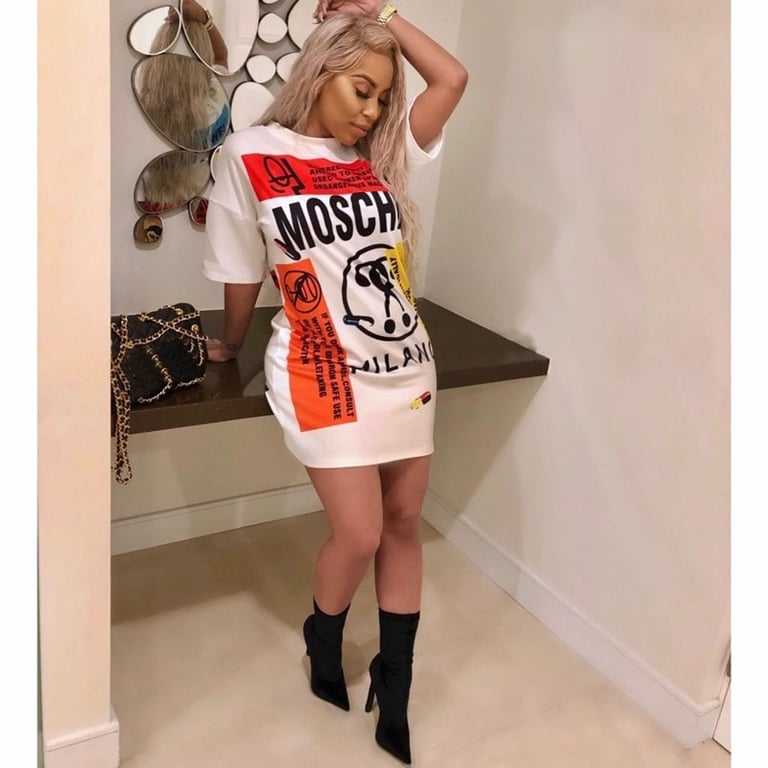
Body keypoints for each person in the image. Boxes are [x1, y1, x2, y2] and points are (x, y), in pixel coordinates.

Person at [203, 2, 467, 763]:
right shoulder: (251, 151)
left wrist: (381, 11)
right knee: (360, 532)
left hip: (404, 367)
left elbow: (452, 78)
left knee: (405, 523)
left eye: (383, 96)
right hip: (321, 372)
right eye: (361, 89)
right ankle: (324, 636)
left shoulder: (380, 157)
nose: (373, 110)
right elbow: (240, 268)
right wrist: (231, 343)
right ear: (320, 73)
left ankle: (396, 681)